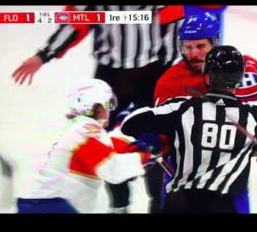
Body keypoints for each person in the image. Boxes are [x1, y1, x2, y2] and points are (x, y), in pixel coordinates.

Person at [11, 5, 187, 213]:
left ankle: (158, 205)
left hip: (150, 73)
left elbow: (173, 21)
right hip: (111, 76)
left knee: (156, 138)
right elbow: (77, 21)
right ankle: (120, 205)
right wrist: (44, 55)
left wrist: (171, 69)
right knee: (104, 140)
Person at [154, 12, 257, 213]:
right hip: (183, 180)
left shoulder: (241, 71)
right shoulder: (169, 83)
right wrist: (153, 141)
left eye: (200, 46)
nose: (193, 53)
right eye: (188, 47)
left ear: (216, 42)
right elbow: (161, 135)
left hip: (230, 180)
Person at [121, 45, 257, 213]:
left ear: (207, 77)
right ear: (239, 80)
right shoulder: (254, 117)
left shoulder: (181, 107)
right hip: (225, 206)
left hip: (181, 203)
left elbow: (130, 123)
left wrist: (150, 139)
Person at [16, 79, 166, 213]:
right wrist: (144, 156)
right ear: (95, 107)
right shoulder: (85, 130)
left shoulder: (81, 129)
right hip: (52, 206)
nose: (110, 110)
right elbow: (112, 169)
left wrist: (134, 147)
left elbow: (109, 148)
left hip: (51, 204)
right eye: (108, 104)